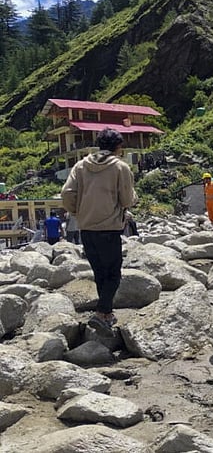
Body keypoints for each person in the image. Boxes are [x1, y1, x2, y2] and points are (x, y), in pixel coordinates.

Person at [61, 128, 137, 334]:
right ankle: (101, 312)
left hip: (87, 228)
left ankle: (107, 314)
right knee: (113, 274)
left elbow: (66, 193)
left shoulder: (80, 165)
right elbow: (127, 200)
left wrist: (78, 211)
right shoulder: (120, 167)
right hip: (109, 228)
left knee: (100, 273)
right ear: (118, 147)